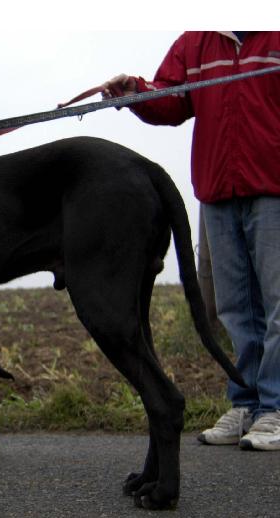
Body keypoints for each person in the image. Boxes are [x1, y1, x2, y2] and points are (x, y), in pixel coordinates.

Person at [103, 31, 280, 451]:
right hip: (218, 189)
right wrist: (136, 92)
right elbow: (172, 99)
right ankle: (247, 403)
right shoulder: (197, 42)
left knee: (277, 305)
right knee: (235, 308)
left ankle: (274, 408)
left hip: (274, 188)